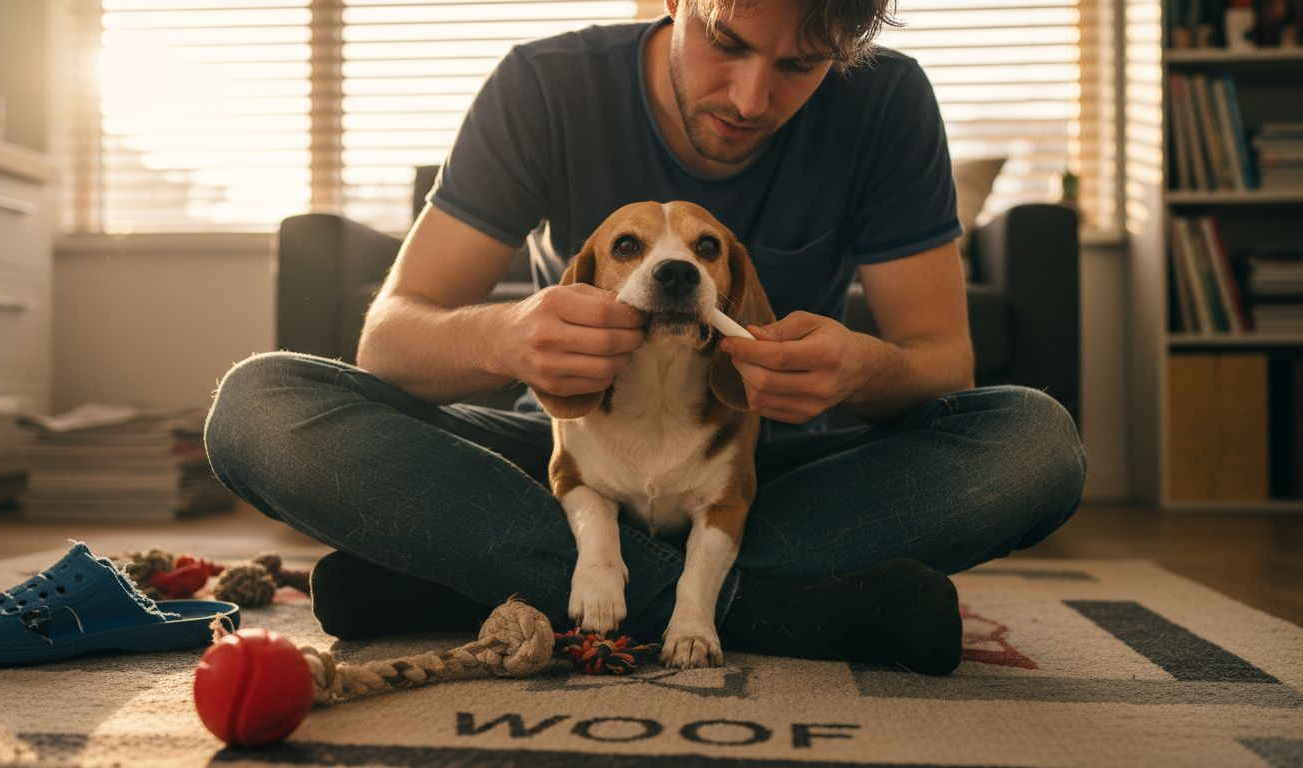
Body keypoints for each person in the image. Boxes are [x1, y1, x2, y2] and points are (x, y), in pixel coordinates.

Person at [205, 0, 1087, 675]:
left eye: (802, 64)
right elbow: (389, 341)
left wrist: (859, 369)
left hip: (764, 464)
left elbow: (944, 364)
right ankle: (779, 615)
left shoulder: (888, 101)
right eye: (729, 42)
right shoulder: (543, 86)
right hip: (572, 455)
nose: (752, 98)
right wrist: (510, 335)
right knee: (258, 403)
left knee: (1037, 443)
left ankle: (454, 573)